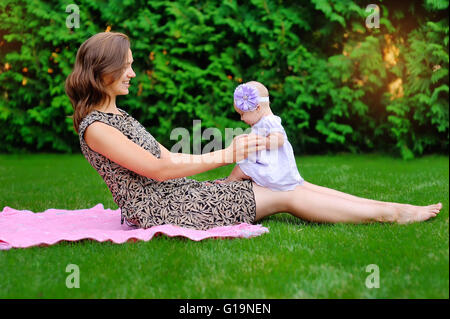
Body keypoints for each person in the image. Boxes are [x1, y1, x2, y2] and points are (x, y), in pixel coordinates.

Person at [65, 32, 442, 230]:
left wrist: (227, 163)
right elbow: (158, 171)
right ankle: (389, 215)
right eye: (126, 67)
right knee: (284, 195)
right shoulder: (97, 127)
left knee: (294, 186)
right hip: (164, 209)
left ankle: (389, 211)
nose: (132, 73)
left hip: (180, 196)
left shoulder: (120, 116)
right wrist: (231, 154)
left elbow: (167, 156)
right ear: (103, 72)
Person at [218, 81, 304, 192]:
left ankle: (227, 183)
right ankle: (235, 183)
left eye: (242, 114)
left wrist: (262, 142)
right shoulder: (263, 121)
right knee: (243, 164)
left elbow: (280, 139)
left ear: (257, 108)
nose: (242, 119)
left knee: (241, 168)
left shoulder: (269, 120)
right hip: (270, 166)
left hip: (274, 170)